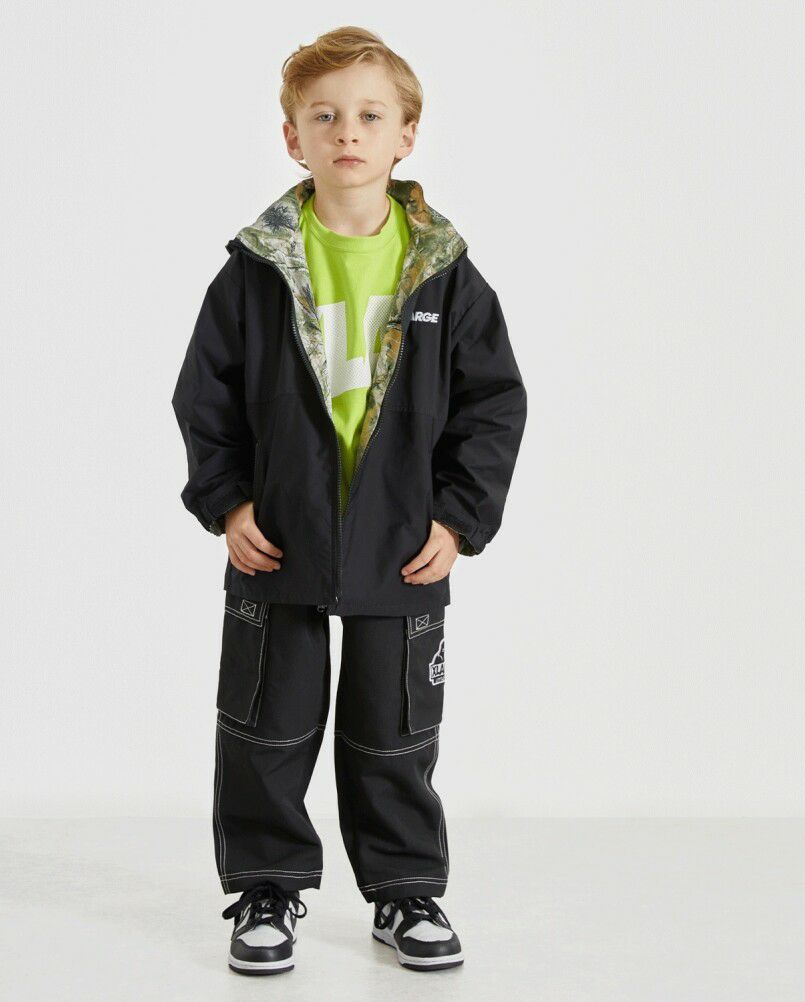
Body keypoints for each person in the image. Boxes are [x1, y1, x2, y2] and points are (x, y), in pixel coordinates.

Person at [171, 26, 527, 976]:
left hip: (402, 543)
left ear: (406, 135)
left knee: (394, 731)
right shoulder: (256, 270)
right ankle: (266, 887)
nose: (347, 133)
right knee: (265, 724)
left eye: (370, 115)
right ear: (293, 138)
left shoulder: (445, 273)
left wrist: (458, 518)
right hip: (278, 540)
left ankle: (405, 891)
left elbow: (494, 403)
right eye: (324, 117)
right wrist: (228, 504)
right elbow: (204, 396)